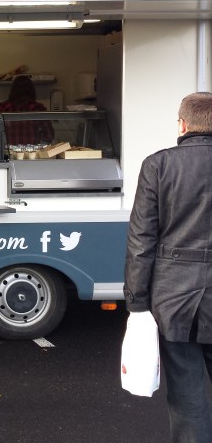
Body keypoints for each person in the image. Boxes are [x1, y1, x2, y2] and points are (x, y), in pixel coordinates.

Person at [124, 92, 212, 443]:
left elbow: (141, 240)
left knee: (187, 395)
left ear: (182, 124)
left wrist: (137, 304)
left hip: (176, 298)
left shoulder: (158, 165)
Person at [0, 75, 54, 145]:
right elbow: (49, 135)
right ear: (31, 90)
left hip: (7, 152)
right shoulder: (37, 108)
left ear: (13, 90)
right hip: (31, 153)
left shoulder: (3, 107)